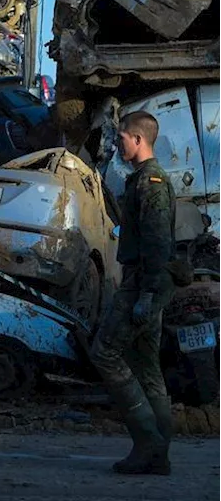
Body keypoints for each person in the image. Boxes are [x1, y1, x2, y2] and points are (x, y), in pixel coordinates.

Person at [91, 111, 175, 475]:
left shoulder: (151, 182)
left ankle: (149, 443)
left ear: (138, 140)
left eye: (122, 137)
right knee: (146, 366)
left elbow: (158, 243)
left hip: (145, 283)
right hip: (145, 282)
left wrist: (146, 294)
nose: (117, 143)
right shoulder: (141, 179)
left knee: (105, 353)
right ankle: (157, 454)